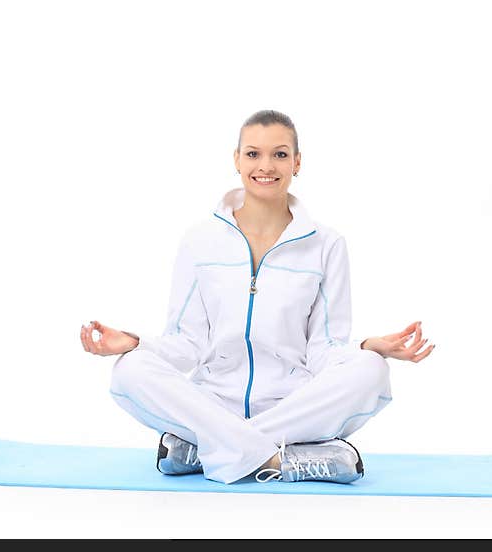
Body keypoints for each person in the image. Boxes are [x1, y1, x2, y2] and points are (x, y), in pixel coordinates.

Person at [80, 110, 435, 485]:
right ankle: (283, 460)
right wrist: (134, 344)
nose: (266, 165)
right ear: (236, 160)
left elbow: (323, 348)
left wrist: (369, 346)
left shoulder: (327, 245)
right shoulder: (200, 241)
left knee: (372, 370)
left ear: (297, 162)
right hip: (212, 404)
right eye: (253, 154)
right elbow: (187, 343)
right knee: (129, 370)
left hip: (294, 407)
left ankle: (203, 450)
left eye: (280, 154)